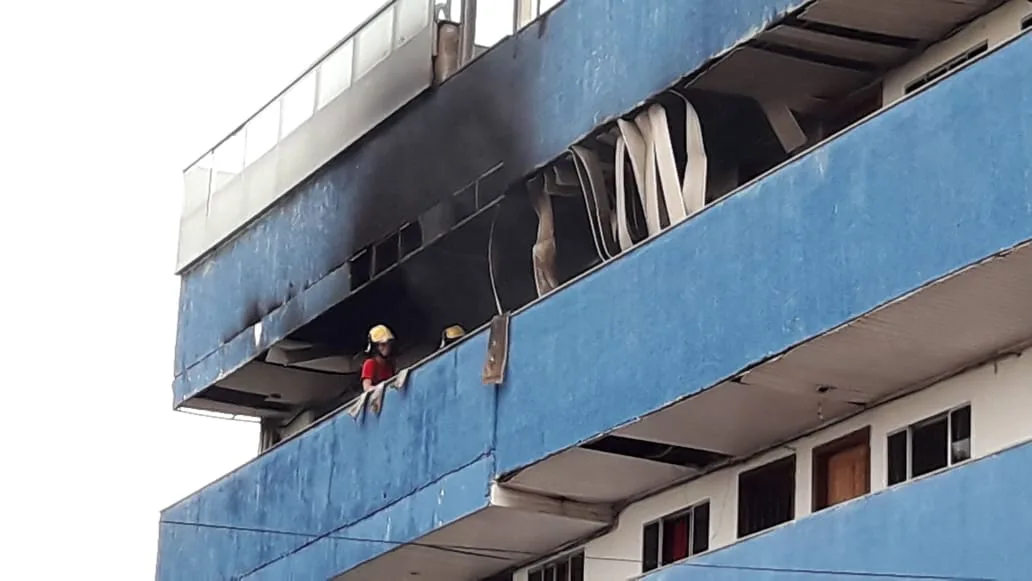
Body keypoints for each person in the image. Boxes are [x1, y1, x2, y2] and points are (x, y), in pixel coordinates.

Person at [361, 324, 396, 392]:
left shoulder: (389, 364)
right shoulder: (370, 363)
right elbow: (367, 388)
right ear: (375, 347)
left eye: (388, 343)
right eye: (383, 344)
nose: (387, 347)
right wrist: (381, 387)